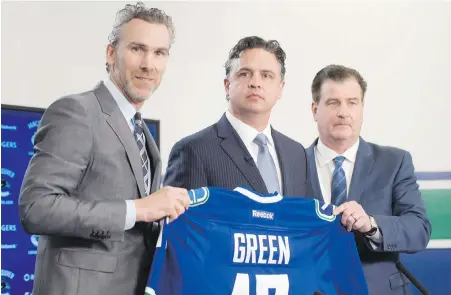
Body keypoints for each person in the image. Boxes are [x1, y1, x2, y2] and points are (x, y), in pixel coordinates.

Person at [19, 3, 190, 295]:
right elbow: (36, 208)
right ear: (111, 53)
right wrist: (138, 209)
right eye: (137, 48)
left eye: (159, 53)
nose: (149, 64)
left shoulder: (140, 129)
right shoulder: (76, 111)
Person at [305, 64, 432, 295]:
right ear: (315, 110)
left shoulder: (395, 162)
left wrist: (371, 225)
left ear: (362, 109)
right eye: (333, 103)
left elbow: (419, 229)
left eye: (352, 102)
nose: (344, 112)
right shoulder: (290, 162)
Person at [164, 36, 311, 197]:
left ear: (280, 89)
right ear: (227, 86)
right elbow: (182, 221)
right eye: (245, 74)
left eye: (266, 75)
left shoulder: (296, 154)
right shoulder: (192, 151)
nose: (255, 83)